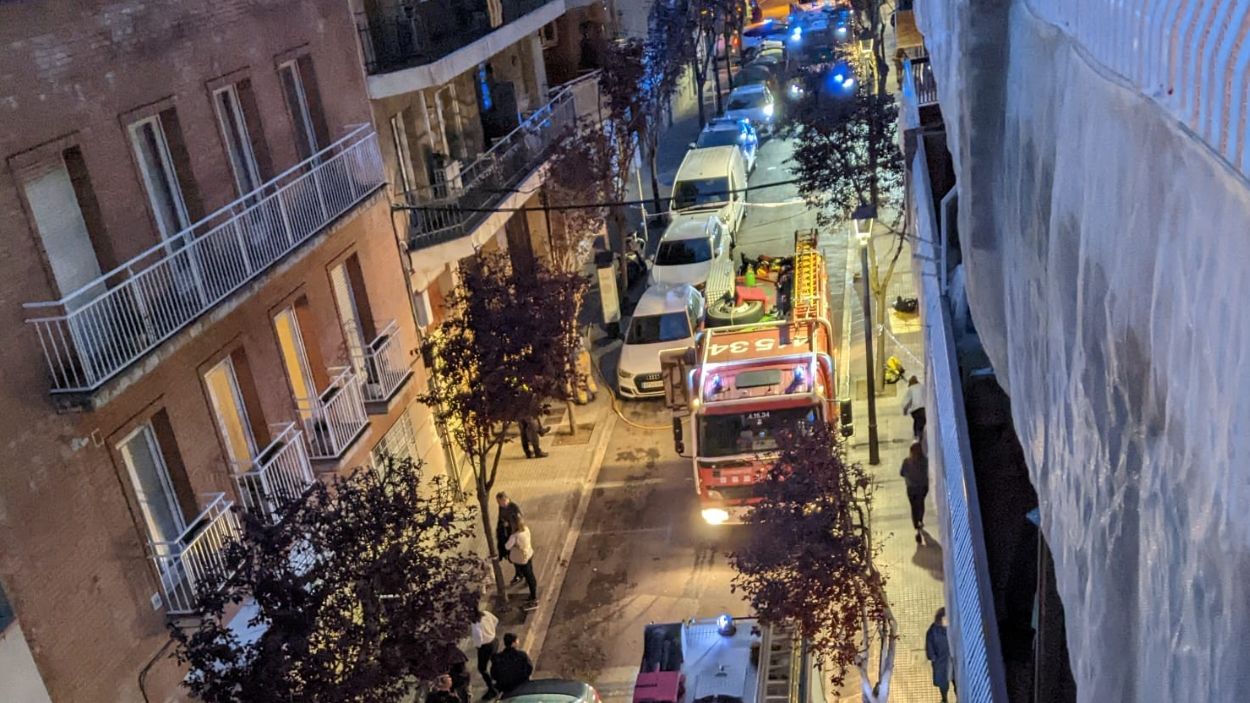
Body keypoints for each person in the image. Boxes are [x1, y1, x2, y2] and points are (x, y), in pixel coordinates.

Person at [506, 514, 538, 608]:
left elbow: (507, 546)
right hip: (529, 553)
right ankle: (529, 586)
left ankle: (534, 597)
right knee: (530, 572)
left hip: (521, 559)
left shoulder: (514, 536)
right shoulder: (526, 529)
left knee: (529, 576)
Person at [900, 441, 928, 541]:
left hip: (911, 488)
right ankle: (920, 519)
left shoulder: (906, 462)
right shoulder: (925, 461)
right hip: (922, 487)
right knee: (921, 503)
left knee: (914, 507)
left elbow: (901, 473)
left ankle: (917, 525)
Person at [495, 493, 524, 584]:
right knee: (512, 556)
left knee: (517, 555)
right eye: (498, 502)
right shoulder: (501, 508)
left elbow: (520, 519)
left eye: (501, 502)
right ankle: (519, 573)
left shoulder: (514, 507)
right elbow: (500, 519)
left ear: (506, 499)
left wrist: (509, 523)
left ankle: (521, 573)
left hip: (514, 533)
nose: (500, 504)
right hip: (507, 534)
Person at [471, 609, 500, 699]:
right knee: (495, 661)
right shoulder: (486, 613)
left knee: (482, 668)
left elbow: (478, 638)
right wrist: (491, 631)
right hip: (494, 640)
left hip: (485, 646)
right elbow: (496, 620)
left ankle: (492, 689)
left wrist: (477, 646)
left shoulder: (475, 624)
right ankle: (499, 680)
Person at [925, 608, 951, 703]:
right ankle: (944, 698)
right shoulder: (933, 630)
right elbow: (929, 645)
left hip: (952, 659)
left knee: (957, 680)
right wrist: (933, 657)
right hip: (941, 660)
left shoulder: (952, 627)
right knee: (943, 683)